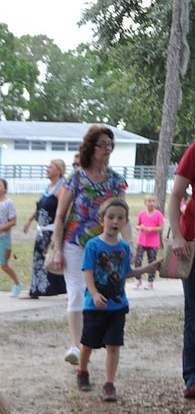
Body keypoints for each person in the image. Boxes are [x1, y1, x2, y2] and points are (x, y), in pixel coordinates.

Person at [48, 125, 127, 365]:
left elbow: (124, 215)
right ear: (91, 148)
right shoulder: (76, 178)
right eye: (102, 144)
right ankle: (75, 346)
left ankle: (89, 344)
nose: (107, 149)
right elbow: (60, 216)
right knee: (75, 294)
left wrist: (128, 244)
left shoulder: (116, 180)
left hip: (105, 248)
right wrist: (57, 247)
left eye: (110, 145)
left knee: (98, 295)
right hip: (75, 244)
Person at [76, 196, 131, 402]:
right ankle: (82, 371)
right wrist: (94, 293)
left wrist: (152, 267)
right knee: (88, 343)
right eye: (111, 217)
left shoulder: (124, 248)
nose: (115, 221)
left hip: (117, 306)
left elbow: (127, 273)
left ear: (125, 222)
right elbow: (87, 271)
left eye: (120, 218)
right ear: (102, 220)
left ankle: (109, 384)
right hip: (95, 306)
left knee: (114, 345)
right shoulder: (93, 245)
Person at [165, 146, 195, 397]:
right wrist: (177, 236)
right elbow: (175, 196)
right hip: (192, 243)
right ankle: (192, 378)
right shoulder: (194, 151)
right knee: (194, 312)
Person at [22, 159, 67, 298]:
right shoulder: (48, 188)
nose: (47, 169)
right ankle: (36, 289)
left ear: (58, 171)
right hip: (42, 232)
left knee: (52, 260)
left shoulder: (62, 188)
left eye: (50, 167)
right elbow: (40, 207)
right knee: (38, 260)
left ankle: (62, 288)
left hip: (52, 231)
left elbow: (63, 212)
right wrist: (29, 220)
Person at [132, 192, 164, 289]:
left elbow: (161, 227)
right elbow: (136, 225)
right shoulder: (142, 213)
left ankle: (150, 282)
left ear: (156, 203)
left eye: (153, 201)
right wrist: (140, 227)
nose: (151, 203)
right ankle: (138, 280)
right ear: (145, 202)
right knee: (138, 260)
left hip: (153, 243)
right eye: (149, 201)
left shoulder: (158, 214)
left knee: (152, 262)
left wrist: (152, 229)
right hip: (141, 241)